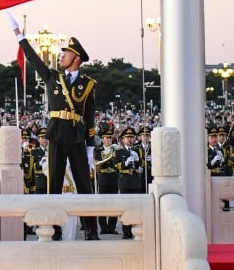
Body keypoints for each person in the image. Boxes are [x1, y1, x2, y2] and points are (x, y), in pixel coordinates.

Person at [9, 12, 99, 241]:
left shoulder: (88, 84)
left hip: (77, 136)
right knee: (54, 183)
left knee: (84, 186)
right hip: (57, 133)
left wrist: (90, 148)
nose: (62, 57)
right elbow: (34, 60)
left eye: (66, 53)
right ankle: (54, 227)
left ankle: (91, 229)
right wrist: (19, 36)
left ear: (76, 58)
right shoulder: (53, 78)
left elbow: (89, 117)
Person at [114, 127, 145, 239]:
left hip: (136, 182)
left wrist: (138, 161)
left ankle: (135, 230)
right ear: (123, 139)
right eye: (127, 138)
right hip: (125, 182)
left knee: (136, 208)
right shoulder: (119, 151)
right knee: (126, 208)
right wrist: (125, 163)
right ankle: (126, 231)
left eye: (131, 137)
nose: (130, 139)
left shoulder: (137, 150)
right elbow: (116, 165)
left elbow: (143, 164)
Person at [94, 130, 119, 234]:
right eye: (106, 138)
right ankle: (103, 227)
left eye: (110, 138)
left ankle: (112, 227)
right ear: (102, 139)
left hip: (113, 177)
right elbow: (97, 163)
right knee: (102, 203)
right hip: (103, 177)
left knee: (114, 203)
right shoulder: (98, 150)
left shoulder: (115, 149)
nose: (108, 140)